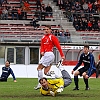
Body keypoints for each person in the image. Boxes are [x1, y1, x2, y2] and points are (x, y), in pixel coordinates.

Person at [34, 25, 65, 90]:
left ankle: (40, 83)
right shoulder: (43, 38)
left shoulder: (52, 37)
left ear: (50, 30)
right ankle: (58, 77)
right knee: (46, 72)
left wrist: (62, 55)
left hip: (49, 54)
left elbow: (58, 46)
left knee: (39, 68)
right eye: (45, 29)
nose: (46, 30)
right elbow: (42, 46)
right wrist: (42, 51)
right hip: (45, 55)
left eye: (47, 29)